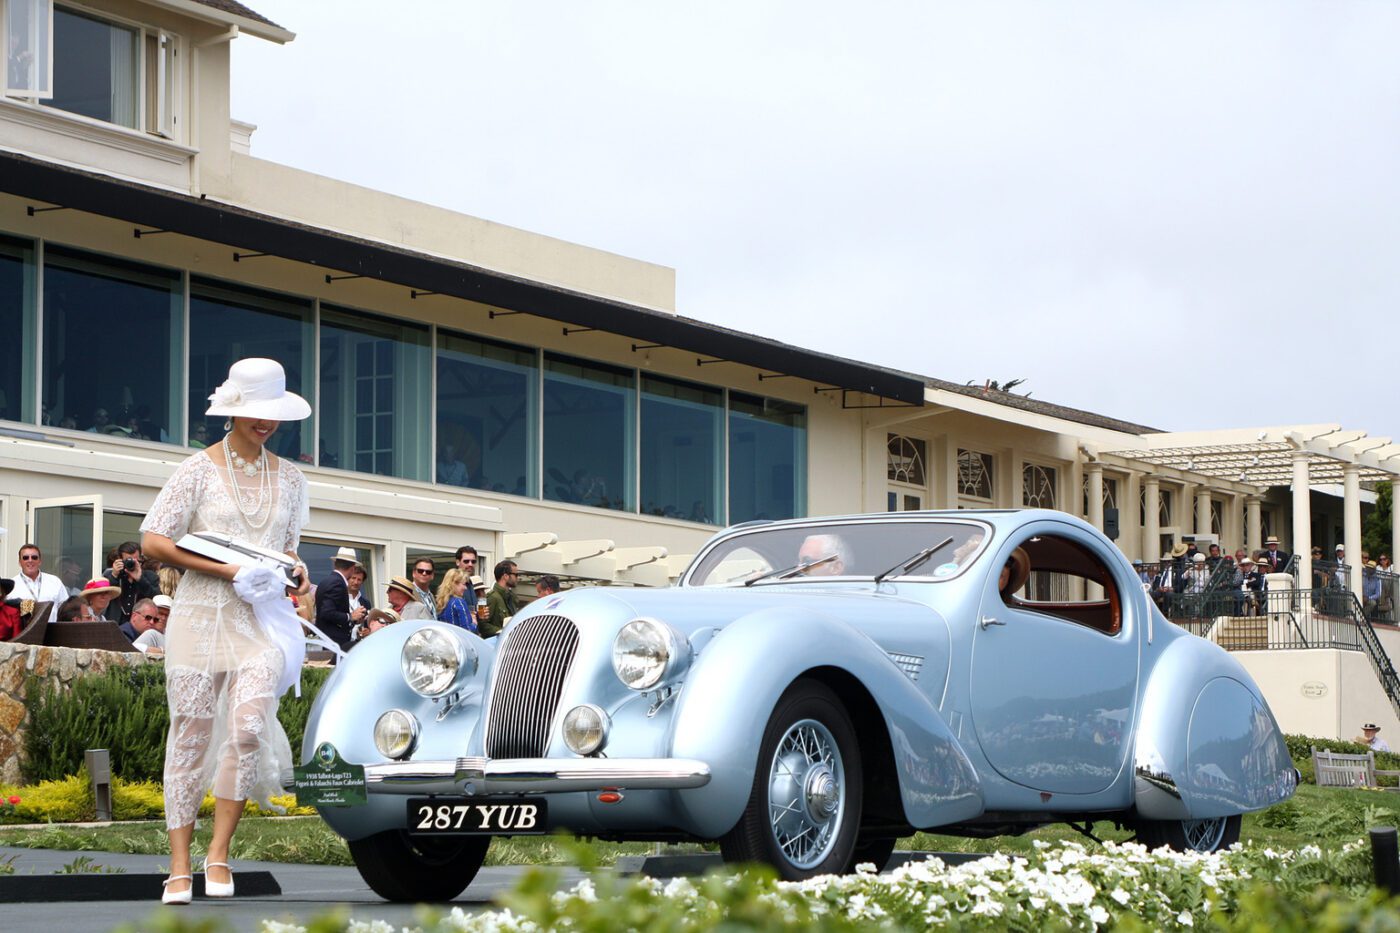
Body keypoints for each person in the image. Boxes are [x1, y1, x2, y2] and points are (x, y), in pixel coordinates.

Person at [138, 357, 312, 906]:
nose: (266, 423)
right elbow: (153, 541)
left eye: (273, 414)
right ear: (234, 410)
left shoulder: (290, 477)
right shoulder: (195, 470)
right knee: (189, 737)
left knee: (245, 730)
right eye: (256, 412)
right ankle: (179, 865)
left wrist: (295, 568)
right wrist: (226, 570)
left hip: (257, 622)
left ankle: (219, 854)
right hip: (196, 617)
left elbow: (283, 548)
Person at [315, 547, 367, 652]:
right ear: (352, 568)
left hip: (326, 639)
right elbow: (327, 612)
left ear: (335, 564)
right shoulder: (338, 583)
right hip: (333, 643)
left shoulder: (326, 581)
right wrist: (350, 616)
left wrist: (353, 620)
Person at [103, 541, 160, 626]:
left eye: (136, 560)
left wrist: (140, 579)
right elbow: (105, 596)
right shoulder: (111, 575)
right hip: (115, 624)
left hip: (141, 626)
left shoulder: (150, 576)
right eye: (128, 560)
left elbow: (156, 598)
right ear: (120, 560)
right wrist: (114, 575)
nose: (132, 563)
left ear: (141, 558)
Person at [482, 560, 518, 637]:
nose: (517, 578)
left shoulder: (511, 597)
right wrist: (501, 631)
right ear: (505, 576)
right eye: (516, 575)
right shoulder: (490, 598)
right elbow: (482, 625)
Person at [435, 568, 477, 632]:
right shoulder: (459, 602)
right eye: (464, 584)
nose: (465, 588)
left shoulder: (442, 603)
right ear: (454, 584)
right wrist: (474, 622)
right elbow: (466, 630)